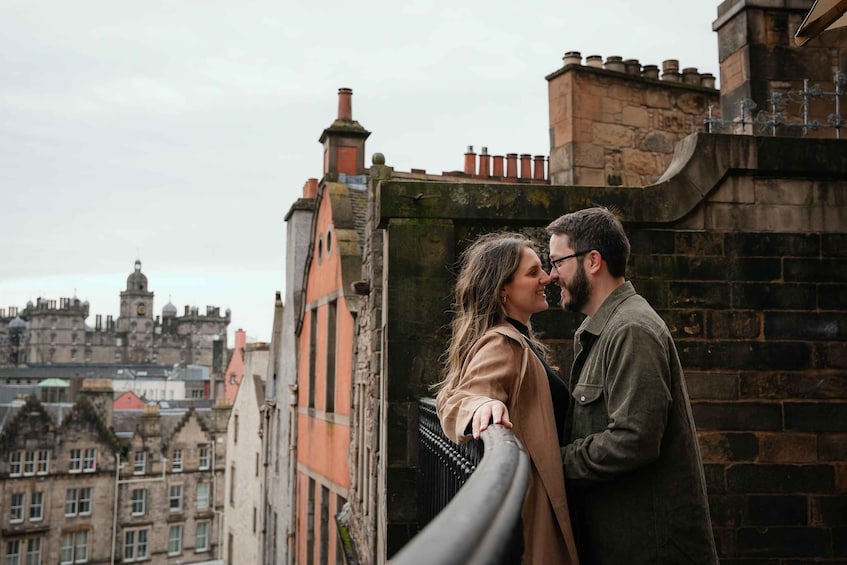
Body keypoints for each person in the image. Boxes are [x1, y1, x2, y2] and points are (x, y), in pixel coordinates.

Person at [546, 207, 719, 564]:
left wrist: (552, 465)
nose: (551, 276)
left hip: (650, 550)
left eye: (557, 262)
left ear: (592, 261)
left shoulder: (631, 330)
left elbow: (634, 440)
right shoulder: (602, 329)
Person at [435, 232, 579, 565]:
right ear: (503, 289)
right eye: (533, 273)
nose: (547, 278)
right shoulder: (503, 343)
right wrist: (481, 405)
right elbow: (467, 395)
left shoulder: (517, 338)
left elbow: (451, 392)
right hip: (534, 511)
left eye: (542, 269)